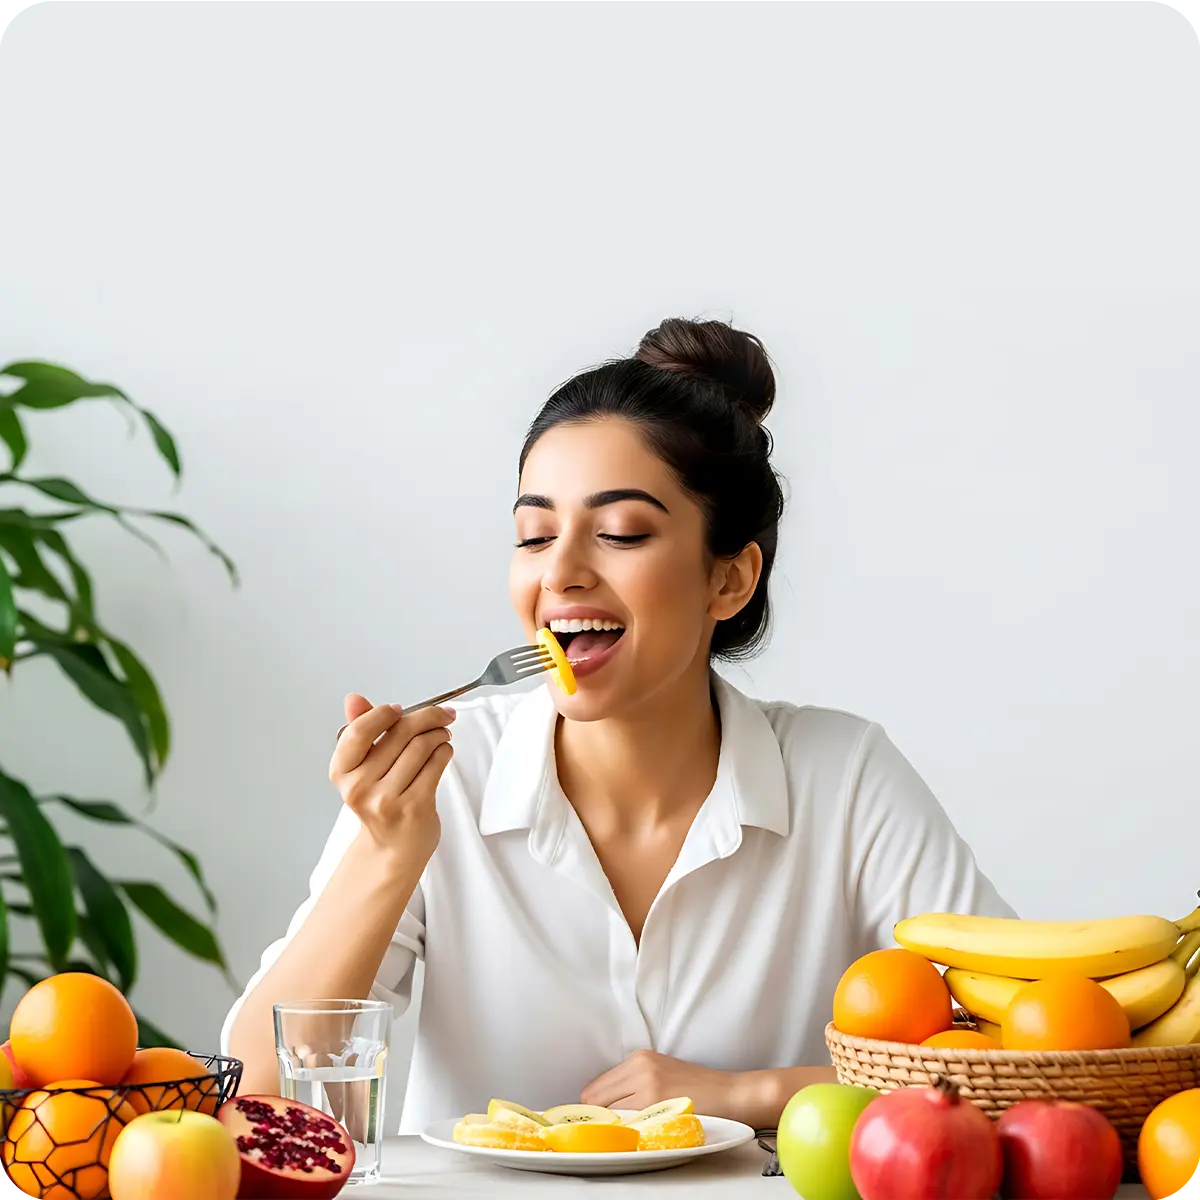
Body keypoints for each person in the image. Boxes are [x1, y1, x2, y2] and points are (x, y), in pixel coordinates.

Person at [222, 317, 1014, 1135]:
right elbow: (253, 1093)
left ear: (731, 579)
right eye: (534, 536)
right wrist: (386, 856)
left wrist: (745, 1093)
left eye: (621, 533)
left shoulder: (843, 777)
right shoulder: (445, 778)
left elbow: (1020, 1057)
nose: (560, 571)